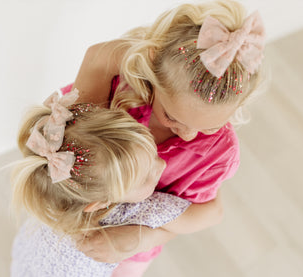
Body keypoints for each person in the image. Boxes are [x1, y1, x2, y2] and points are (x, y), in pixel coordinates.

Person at [66, 0, 267, 275]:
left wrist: (142, 238)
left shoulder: (219, 151)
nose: (188, 134)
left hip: (133, 249)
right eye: (172, 117)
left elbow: (205, 212)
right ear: (151, 71)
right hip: (75, 218)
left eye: (209, 126)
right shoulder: (120, 88)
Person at [10, 89, 214, 276]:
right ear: (99, 204)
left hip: (25, 264)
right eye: (144, 178)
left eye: (152, 151)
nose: (161, 165)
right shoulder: (134, 211)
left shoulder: (50, 195)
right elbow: (210, 215)